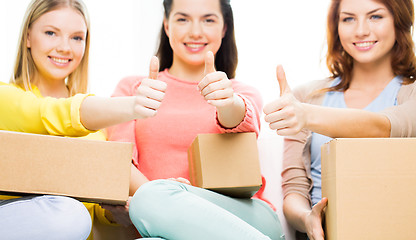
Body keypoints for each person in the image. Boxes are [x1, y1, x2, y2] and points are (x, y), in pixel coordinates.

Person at [106, 0, 284, 239]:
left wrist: (227, 102)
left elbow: (239, 117)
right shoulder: (134, 88)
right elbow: (120, 162)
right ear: (167, 26)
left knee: (148, 199)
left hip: (247, 218)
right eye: (183, 19)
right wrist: (168, 197)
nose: (195, 32)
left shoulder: (239, 92)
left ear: (224, 29)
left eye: (208, 20)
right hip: (164, 219)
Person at [0, 0, 166, 239]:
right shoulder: (6, 98)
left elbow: (92, 202)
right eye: (51, 33)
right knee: (70, 214)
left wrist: (116, 213)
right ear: (27, 37)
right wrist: (131, 105)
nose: (65, 47)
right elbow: (48, 114)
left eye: (77, 38)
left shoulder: (95, 126)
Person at [263, 0, 416, 239]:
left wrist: (306, 115)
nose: (361, 30)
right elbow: (294, 191)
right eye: (348, 18)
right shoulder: (307, 97)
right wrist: (308, 218)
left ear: (399, 20)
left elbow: (388, 127)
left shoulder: (411, 92)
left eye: (375, 16)